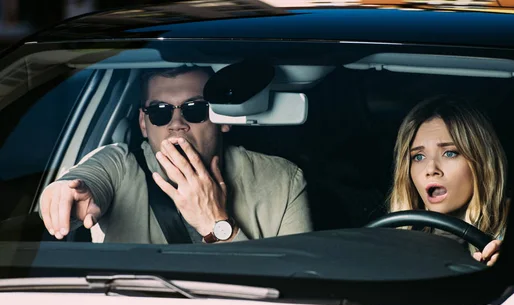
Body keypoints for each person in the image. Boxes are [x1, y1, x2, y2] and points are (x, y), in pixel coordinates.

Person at [39, 65, 312, 243]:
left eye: (194, 109)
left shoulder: (282, 180)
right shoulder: (118, 164)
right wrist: (62, 195)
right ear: (143, 124)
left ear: (223, 117)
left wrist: (215, 223)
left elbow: (297, 292)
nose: (177, 123)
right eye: (159, 112)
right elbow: (84, 180)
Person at [388, 95, 507, 266]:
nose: (430, 170)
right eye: (419, 156)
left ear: (481, 161)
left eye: (450, 153)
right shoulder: (392, 241)